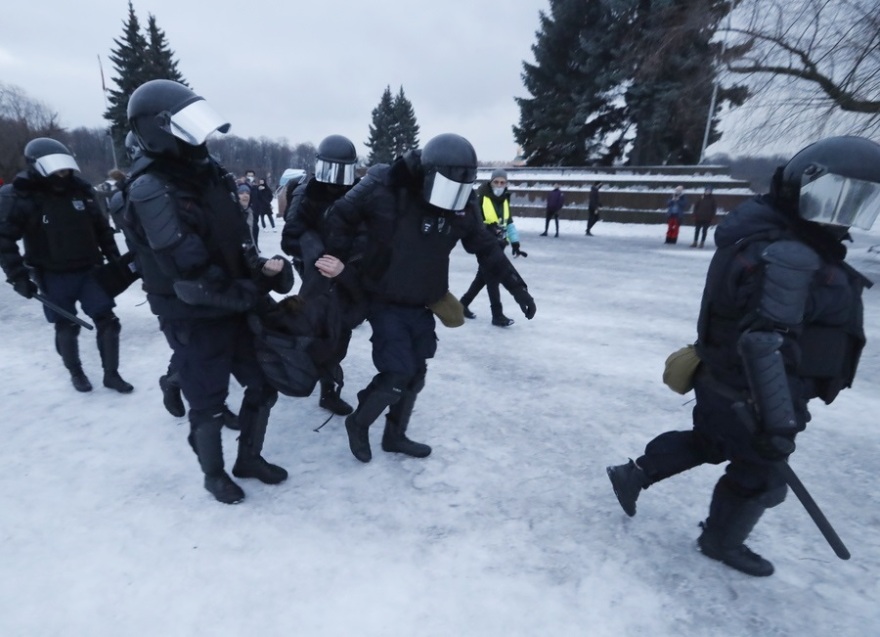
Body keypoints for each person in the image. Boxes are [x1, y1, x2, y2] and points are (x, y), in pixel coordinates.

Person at [606, 136, 880, 577]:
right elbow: (764, 343)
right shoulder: (789, 255)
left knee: (710, 442)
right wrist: (777, 421)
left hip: (726, 382)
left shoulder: (770, 237)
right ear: (808, 188)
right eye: (839, 199)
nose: (844, 214)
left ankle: (635, 473)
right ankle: (720, 542)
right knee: (761, 478)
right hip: (753, 392)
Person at [124, 79, 293, 504]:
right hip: (191, 315)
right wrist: (251, 291)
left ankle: (248, 458)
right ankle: (213, 474)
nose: (200, 137)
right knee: (209, 404)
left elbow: (237, 241)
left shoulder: (210, 174)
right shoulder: (152, 189)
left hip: (233, 305)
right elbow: (191, 272)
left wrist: (262, 269)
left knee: (263, 386)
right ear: (160, 130)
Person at [325, 133, 536, 463]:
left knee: (417, 373)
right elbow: (339, 215)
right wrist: (349, 261)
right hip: (383, 297)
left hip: (423, 299)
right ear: (427, 176)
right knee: (396, 373)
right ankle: (359, 422)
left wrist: (518, 288)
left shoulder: (460, 204)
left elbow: (486, 247)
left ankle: (395, 436)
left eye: (458, 191)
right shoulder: (385, 184)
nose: (450, 199)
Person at [0, 137, 134, 394]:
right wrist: (17, 276)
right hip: (52, 274)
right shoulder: (23, 195)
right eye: (55, 168)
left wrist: (114, 259)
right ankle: (76, 372)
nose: (62, 173)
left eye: (65, 167)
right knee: (67, 325)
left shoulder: (80, 190)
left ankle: (111, 374)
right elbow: (4, 239)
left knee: (108, 321)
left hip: (88, 271)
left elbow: (102, 229)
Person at [281, 133, 362, 416]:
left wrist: (353, 262)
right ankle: (298, 373)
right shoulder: (307, 193)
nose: (337, 179)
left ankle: (329, 390)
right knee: (319, 330)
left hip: (347, 273)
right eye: (332, 170)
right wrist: (313, 249)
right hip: (316, 275)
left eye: (345, 171)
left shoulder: (358, 192)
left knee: (342, 332)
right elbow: (289, 238)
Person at [458, 168, 527, 326]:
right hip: (485, 245)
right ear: (491, 182)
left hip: (499, 245)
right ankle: (497, 314)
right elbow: (475, 222)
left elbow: (508, 222)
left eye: (503, 182)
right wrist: (489, 230)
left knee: (482, 278)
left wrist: (515, 242)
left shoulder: (504, 200)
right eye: (496, 182)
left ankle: (462, 304)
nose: (499, 185)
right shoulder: (481, 198)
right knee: (492, 278)